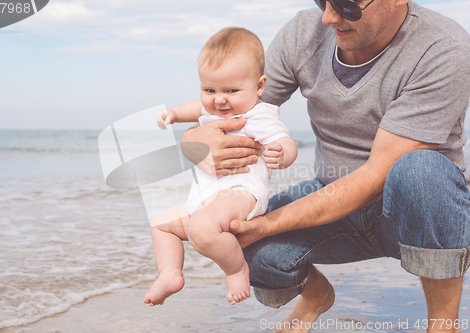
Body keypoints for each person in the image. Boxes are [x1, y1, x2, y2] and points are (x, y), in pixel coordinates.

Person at [181, 0, 470, 332]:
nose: (328, 17)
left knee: (421, 171)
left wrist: (269, 224)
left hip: (415, 208)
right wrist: (194, 142)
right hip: (332, 195)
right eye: (322, 1)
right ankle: (316, 295)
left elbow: (377, 175)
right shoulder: (305, 31)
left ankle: (443, 323)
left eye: (347, 5)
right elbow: (236, 107)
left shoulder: (443, 47)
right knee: (237, 236)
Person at [143, 27, 298, 307]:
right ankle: (169, 274)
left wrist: (282, 154)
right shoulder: (213, 110)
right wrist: (175, 114)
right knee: (161, 224)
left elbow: (285, 141)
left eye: (231, 90)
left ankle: (237, 269)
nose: (219, 99)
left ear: (259, 86)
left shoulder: (258, 115)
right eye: (209, 89)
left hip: (239, 192)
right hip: (205, 198)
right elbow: (197, 109)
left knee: (202, 229)